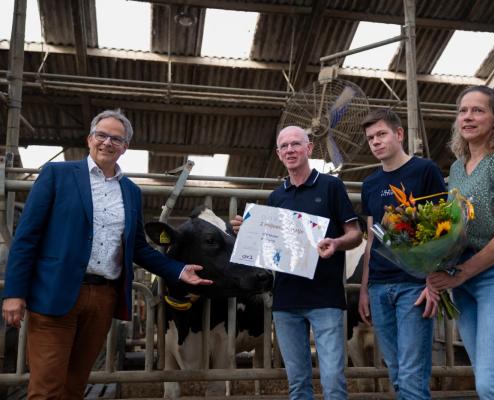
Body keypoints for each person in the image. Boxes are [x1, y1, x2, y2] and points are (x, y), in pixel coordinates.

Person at [1, 109, 213, 399]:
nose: (107, 142)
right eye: (101, 135)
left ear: (125, 147)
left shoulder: (131, 192)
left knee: (75, 386)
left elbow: (137, 246)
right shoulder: (57, 174)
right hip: (55, 292)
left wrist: (177, 269)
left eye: (117, 138)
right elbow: (27, 237)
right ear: (89, 138)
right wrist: (14, 292)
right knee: (47, 388)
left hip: (102, 298)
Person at [231, 126, 361, 399]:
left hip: (326, 298)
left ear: (309, 148)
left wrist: (337, 243)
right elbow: (269, 249)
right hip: (286, 301)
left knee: (333, 380)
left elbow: (355, 234)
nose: (290, 150)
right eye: (284, 146)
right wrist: (249, 233)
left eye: (295, 144)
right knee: (298, 384)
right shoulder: (276, 198)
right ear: (279, 154)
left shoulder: (331, 186)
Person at [428, 85, 494, 399]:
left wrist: (466, 270)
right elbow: (456, 229)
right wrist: (436, 265)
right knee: (483, 376)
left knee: (490, 382)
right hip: (464, 279)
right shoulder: (458, 169)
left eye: (478, 110)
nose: (468, 117)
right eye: (462, 111)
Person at [358, 108, 445, 399]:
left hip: (414, 285)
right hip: (380, 286)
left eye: (381, 134)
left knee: (411, 373)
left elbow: (441, 230)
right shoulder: (370, 184)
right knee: (395, 370)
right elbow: (372, 239)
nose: (376, 142)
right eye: (371, 138)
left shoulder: (425, 171)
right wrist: (364, 289)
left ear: (398, 134)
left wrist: (433, 282)